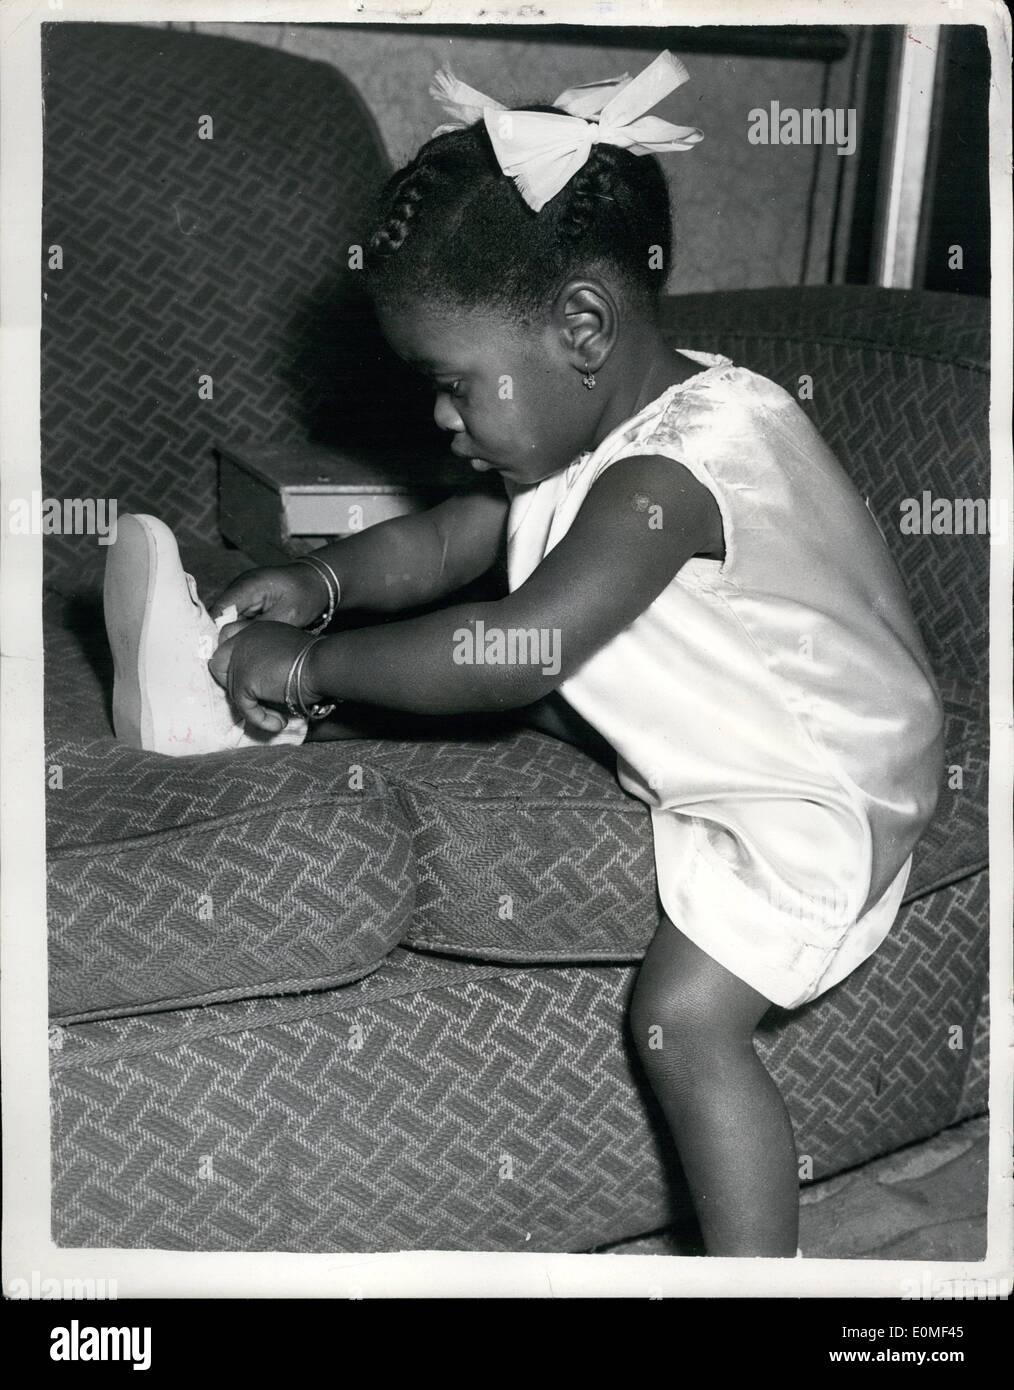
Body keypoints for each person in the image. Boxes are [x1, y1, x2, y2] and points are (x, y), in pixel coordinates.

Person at [108, 53, 944, 1256]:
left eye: (450, 386)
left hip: (819, 783)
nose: (441, 420)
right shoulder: (591, 424)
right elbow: (455, 535)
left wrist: (312, 663)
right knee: (483, 659)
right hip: (738, 702)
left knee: (683, 1018)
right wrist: (326, 580)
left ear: (584, 326)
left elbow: (521, 648)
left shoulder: (668, 477)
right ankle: (231, 690)